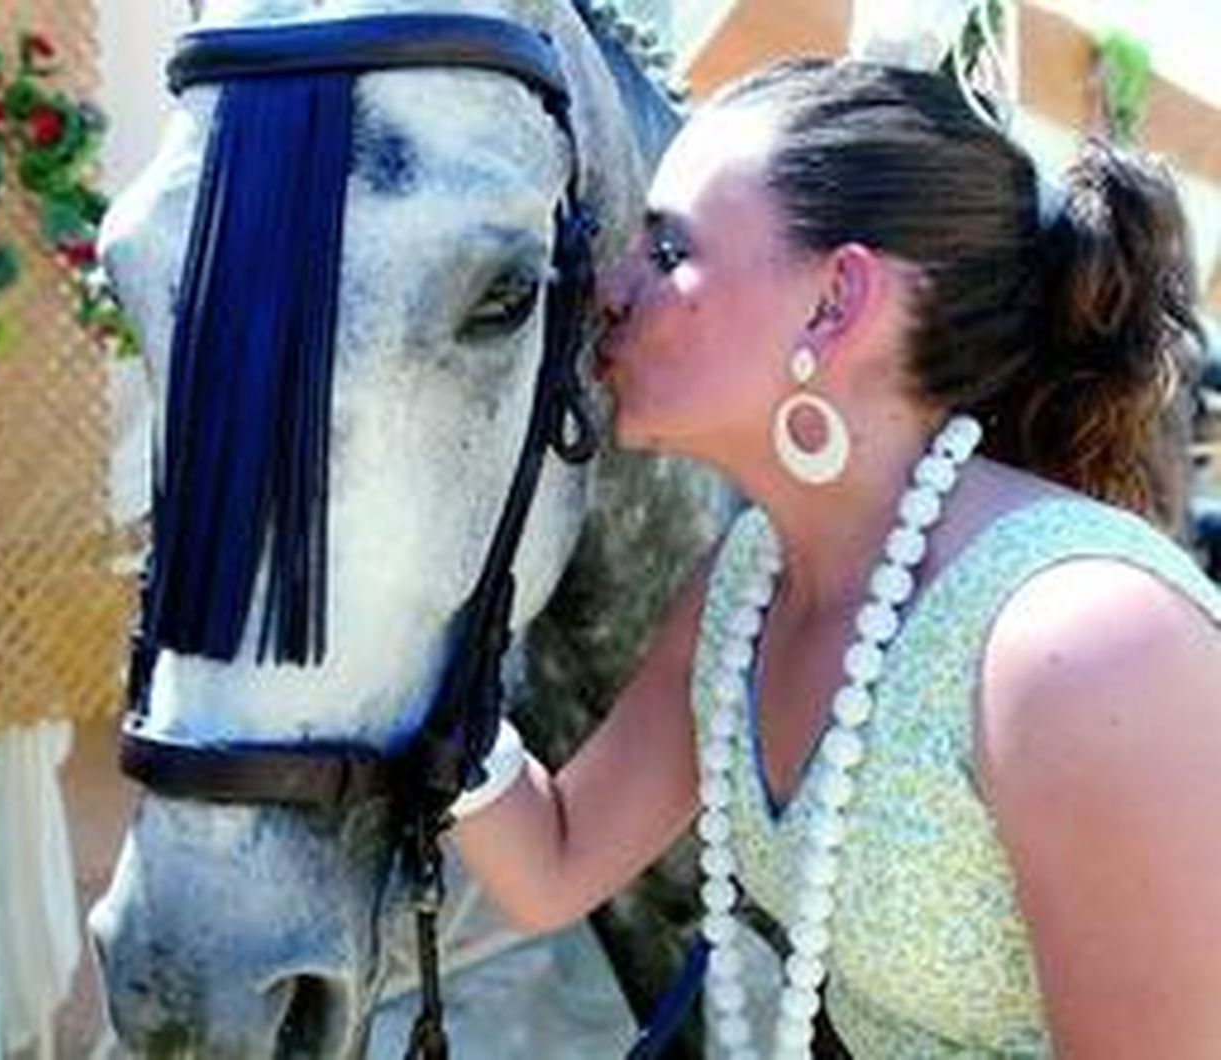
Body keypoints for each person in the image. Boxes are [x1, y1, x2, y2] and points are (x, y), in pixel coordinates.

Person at [448, 58, 1221, 1059]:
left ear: (835, 302)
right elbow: (554, 860)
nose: (608, 289)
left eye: (668, 249)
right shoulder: (747, 587)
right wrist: (396, 633)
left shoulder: (1079, 645)